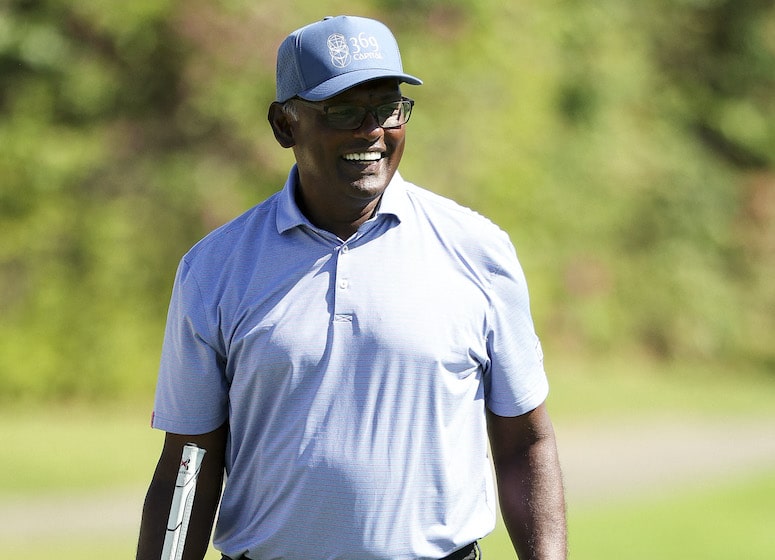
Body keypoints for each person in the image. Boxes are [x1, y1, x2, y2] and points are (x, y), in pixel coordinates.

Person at [137, 14, 567, 560]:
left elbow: (525, 442)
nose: (372, 130)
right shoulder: (215, 268)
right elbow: (189, 463)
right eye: (342, 110)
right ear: (284, 125)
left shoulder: (478, 251)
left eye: (388, 108)